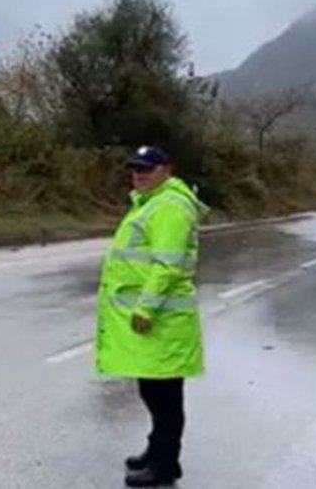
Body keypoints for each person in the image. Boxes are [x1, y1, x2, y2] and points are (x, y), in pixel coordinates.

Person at [95, 146, 208, 487]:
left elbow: (168, 264)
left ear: (167, 169)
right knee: (153, 391)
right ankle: (157, 452)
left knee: (164, 396)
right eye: (135, 169)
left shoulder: (170, 206)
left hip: (162, 321)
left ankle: (165, 464)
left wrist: (145, 306)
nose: (139, 174)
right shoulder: (152, 203)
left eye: (147, 168)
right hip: (156, 322)